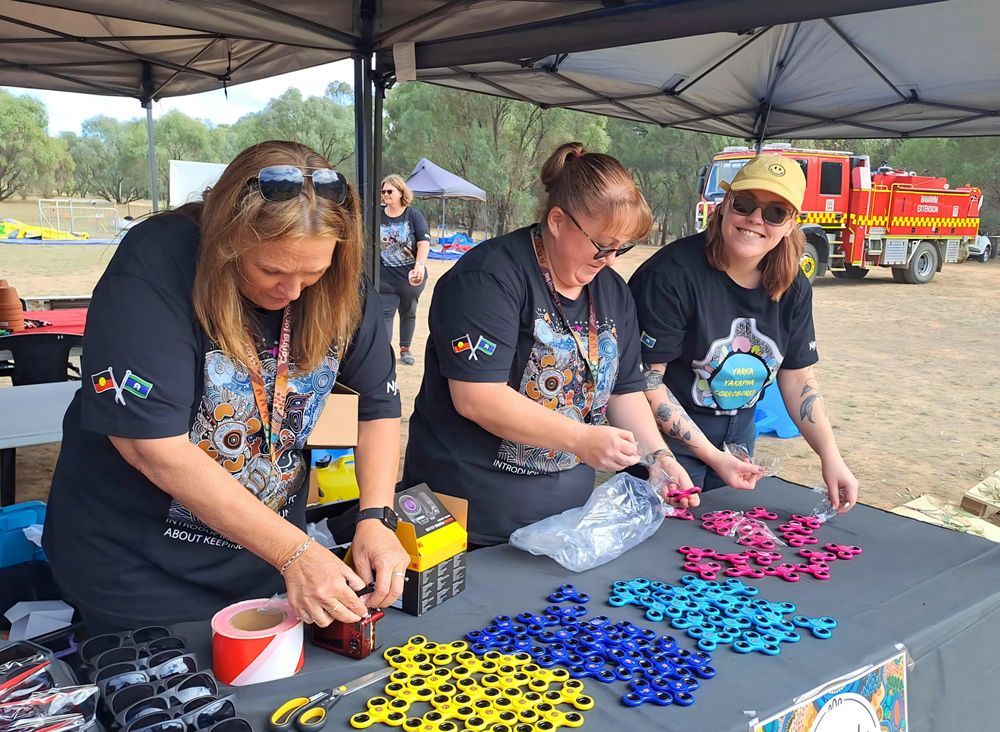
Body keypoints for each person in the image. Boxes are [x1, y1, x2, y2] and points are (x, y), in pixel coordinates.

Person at [43, 141, 411, 633]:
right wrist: (296, 551)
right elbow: (148, 445)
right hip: (138, 564)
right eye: (271, 271)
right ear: (227, 239)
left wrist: (376, 517)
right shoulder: (157, 262)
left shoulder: (339, 284)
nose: (293, 292)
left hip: (264, 555)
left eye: (314, 273)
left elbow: (378, 410)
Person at [402, 142, 704, 548]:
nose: (611, 259)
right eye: (602, 245)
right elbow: (477, 397)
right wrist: (580, 439)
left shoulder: (612, 290)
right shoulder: (487, 280)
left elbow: (625, 388)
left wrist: (659, 459)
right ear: (558, 221)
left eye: (622, 248)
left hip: (565, 521)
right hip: (469, 521)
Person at [629, 154, 858, 511]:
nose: (755, 219)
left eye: (775, 213)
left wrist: (831, 456)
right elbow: (645, 382)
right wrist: (708, 455)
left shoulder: (794, 286)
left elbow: (798, 380)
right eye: (745, 204)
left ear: (791, 224)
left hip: (739, 443)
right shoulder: (671, 275)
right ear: (724, 206)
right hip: (666, 446)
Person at [379, 174, 432, 366]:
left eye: (389, 191)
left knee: (408, 312)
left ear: (401, 192)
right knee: (385, 314)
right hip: (385, 279)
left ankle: (405, 349)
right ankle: (384, 354)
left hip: (411, 278)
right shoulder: (377, 215)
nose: (385, 194)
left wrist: (419, 264)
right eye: (383, 191)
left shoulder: (413, 215)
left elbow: (424, 242)